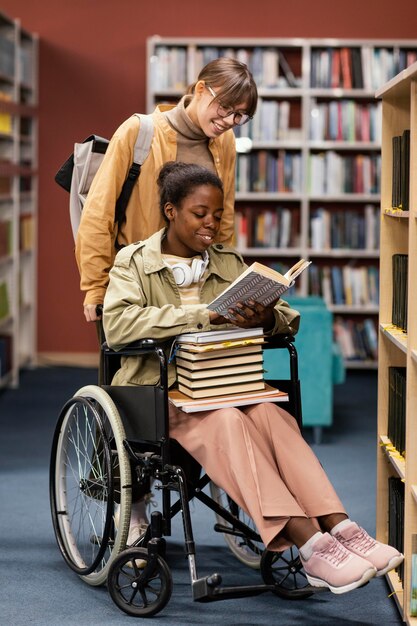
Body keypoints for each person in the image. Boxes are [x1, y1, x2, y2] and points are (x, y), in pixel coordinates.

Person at [103, 162, 403, 595]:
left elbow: (287, 319)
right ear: (170, 211)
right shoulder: (133, 262)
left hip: (228, 383)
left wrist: (267, 319)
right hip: (163, 391)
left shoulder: (227, 261)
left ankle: (342, 529)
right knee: (229, 422)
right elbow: (119, 325)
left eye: (217, 214)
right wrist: (203, 315)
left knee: (270, 412)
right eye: (199, 213)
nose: (211, 223)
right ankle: (312, 546)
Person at [75, 57, 258, 324]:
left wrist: (226, 279)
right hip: (141, 282)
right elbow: (97, 213)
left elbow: (224, 217)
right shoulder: (138, 131)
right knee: (142, 366)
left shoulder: (225, 143)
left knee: (201, 364)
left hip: (199, 284)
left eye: (240, 115)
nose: (229, 120)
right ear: (199, 90)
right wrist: (95, 286)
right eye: (225, 107)